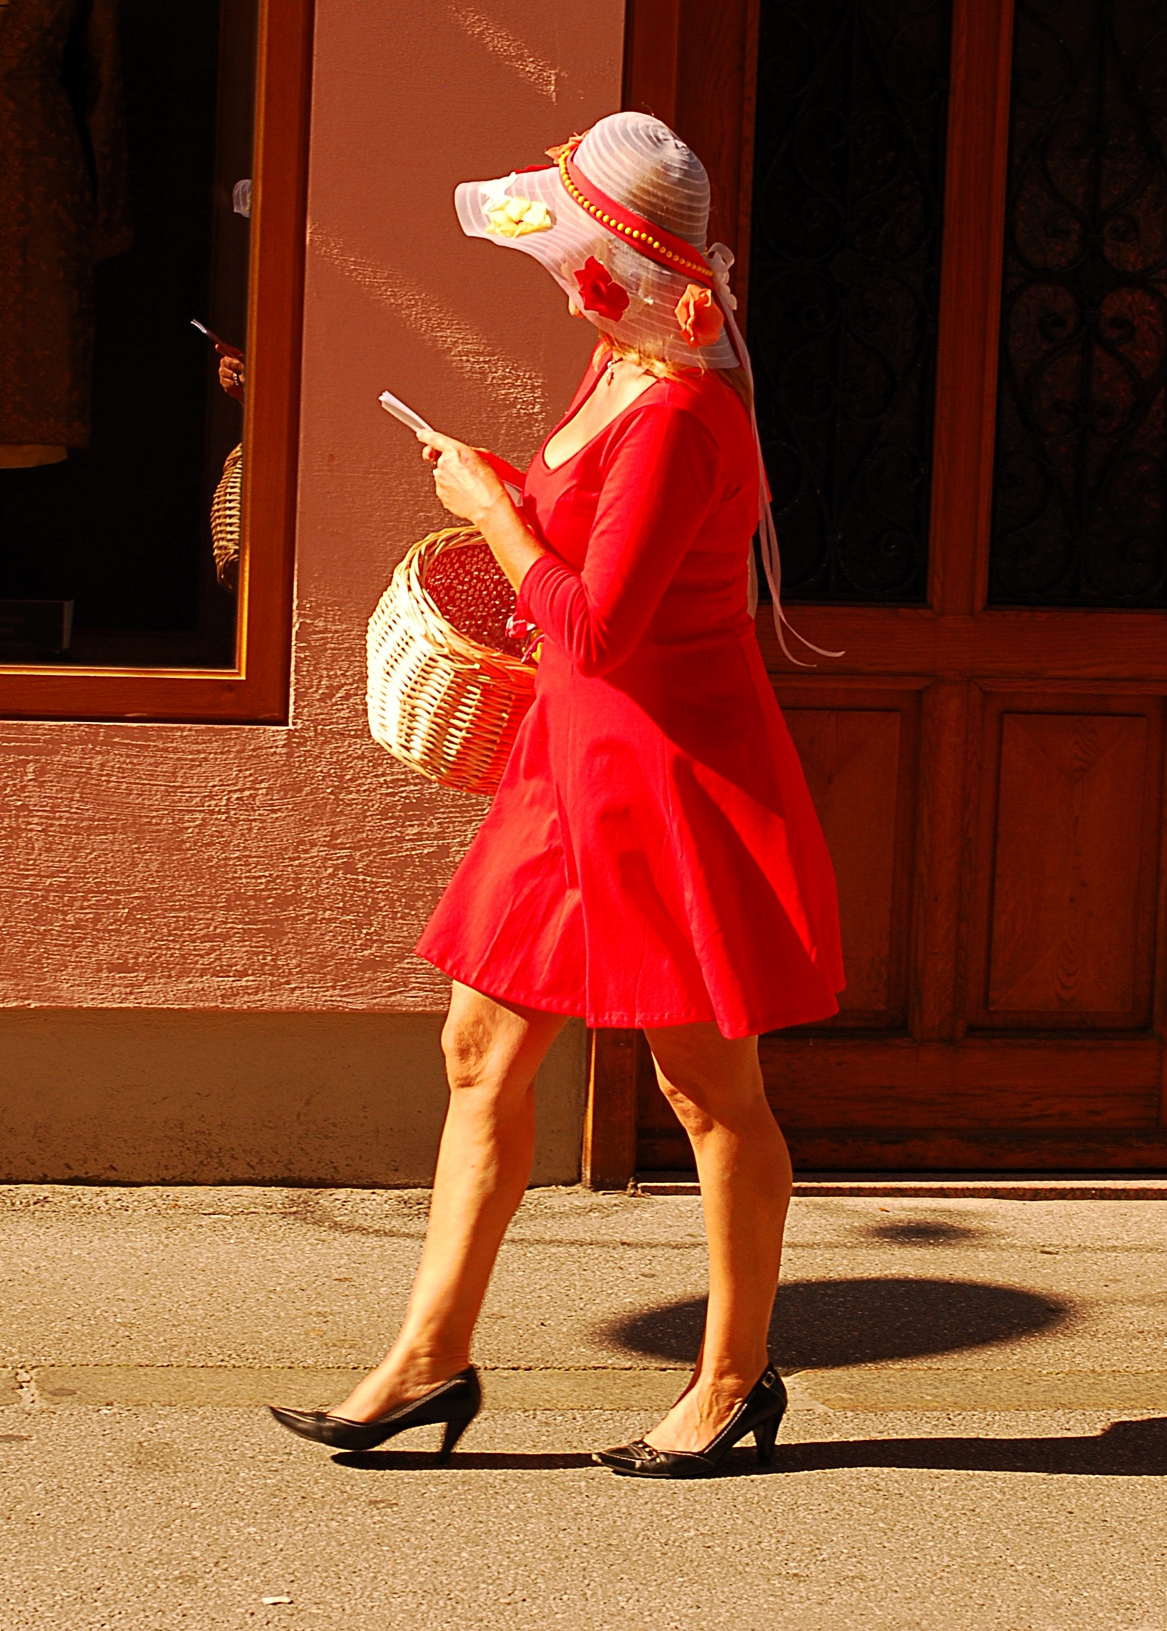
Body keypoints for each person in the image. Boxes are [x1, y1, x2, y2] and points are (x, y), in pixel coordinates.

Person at [269, 112, 843, 1478]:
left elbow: (592, 627)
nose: (559, 272)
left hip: (664, 781)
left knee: (707, 1095)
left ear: (621, 262)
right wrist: (507, 489)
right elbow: (579, 572)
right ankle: (425, 1362)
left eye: (573, 250)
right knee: (479, 1055)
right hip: (570, 773)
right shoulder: (623, 367)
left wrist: (493, 514)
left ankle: (730, 1382)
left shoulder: (682, 413)